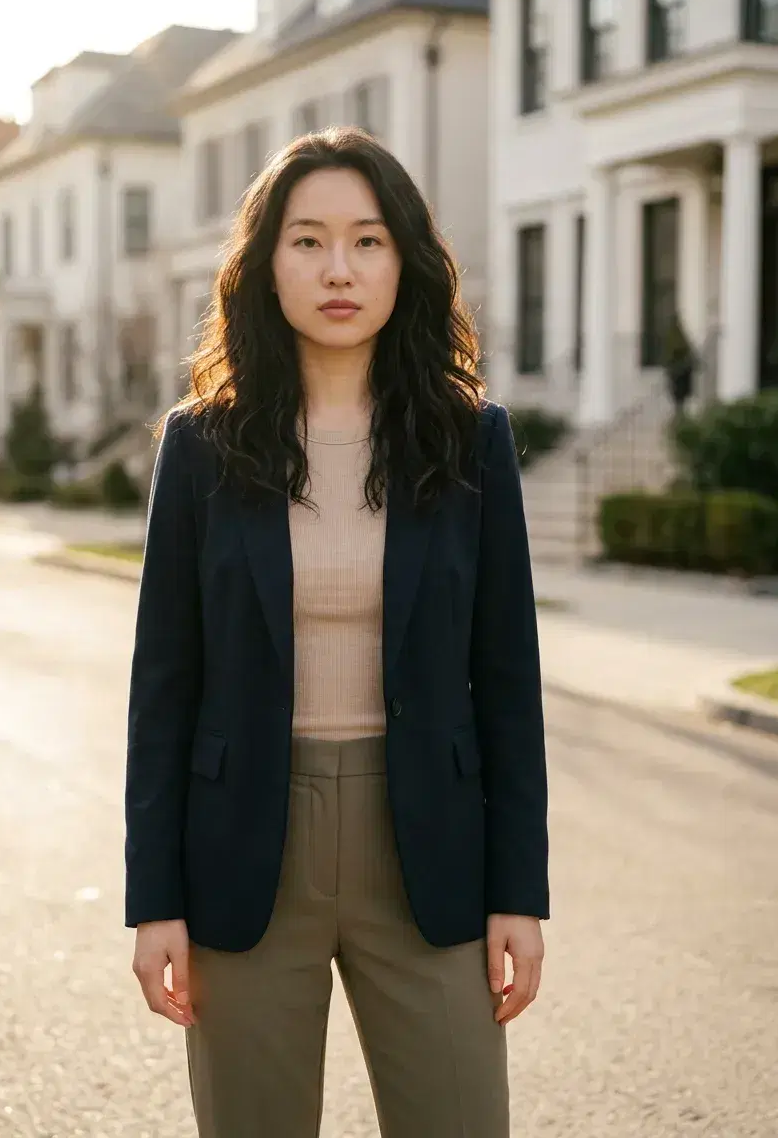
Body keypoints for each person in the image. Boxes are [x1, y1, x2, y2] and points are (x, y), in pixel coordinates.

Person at [125, 126, 549, 1138]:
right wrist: (154, 901)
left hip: (428, 851)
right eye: (307, 241)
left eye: (367, 240)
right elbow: (163, 688)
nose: (338, 270)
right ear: (266, 266)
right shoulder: (201, 446)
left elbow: (508, 679)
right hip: (242, 854)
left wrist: (519, 892)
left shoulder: (470, 440)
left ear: (405, 260)